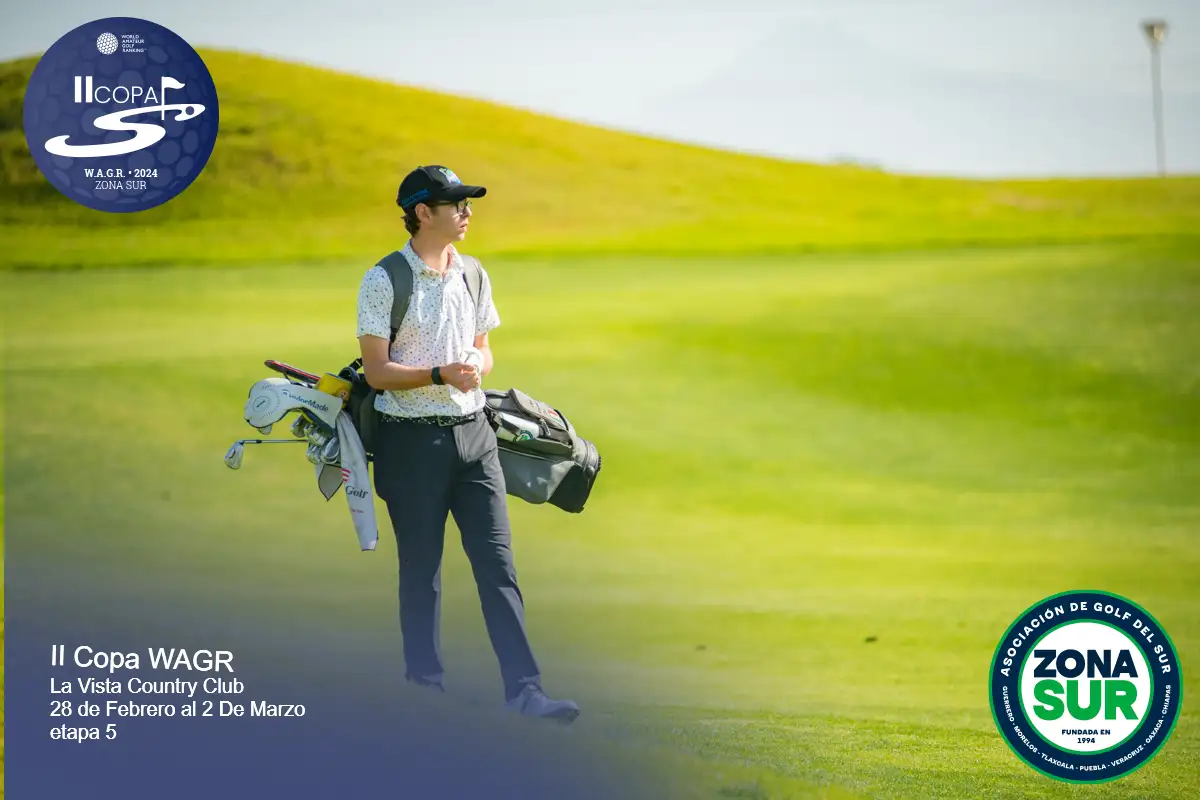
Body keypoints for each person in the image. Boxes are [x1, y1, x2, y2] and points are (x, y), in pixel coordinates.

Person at [355, 164, 580, 723]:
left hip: (474, 436)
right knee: (422, 571)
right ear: (422, 212)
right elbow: (377, 372)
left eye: (468, 203)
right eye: (455, 204)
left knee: (498, 566)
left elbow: (484, 348)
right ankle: (424, 688)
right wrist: (439, 374)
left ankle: (525, 691)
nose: (466, 212)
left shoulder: (474, 273)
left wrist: (476, 364)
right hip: (410, 443)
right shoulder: (383, 279)